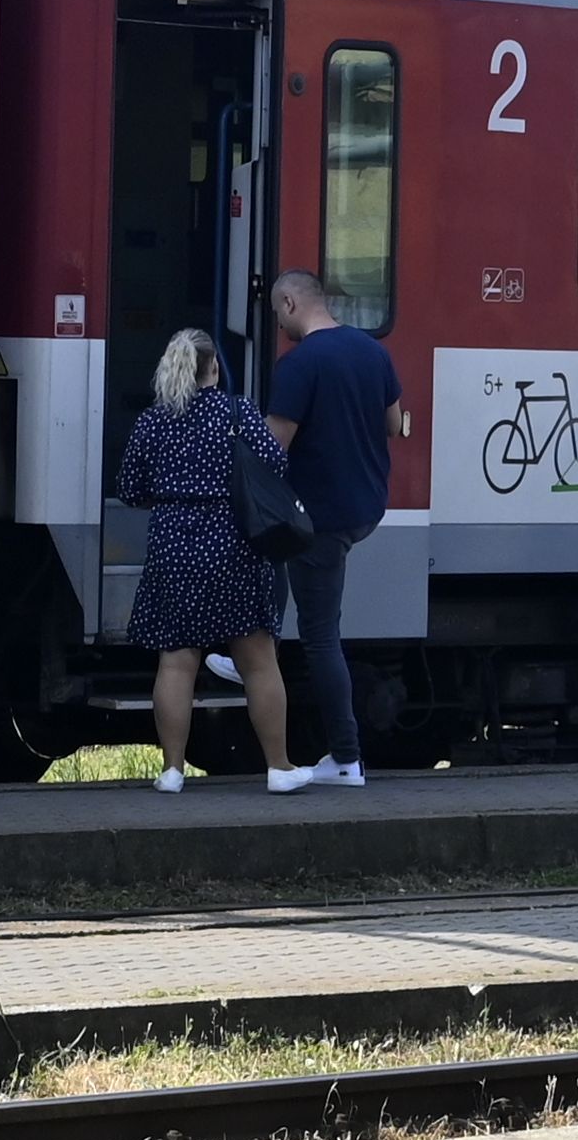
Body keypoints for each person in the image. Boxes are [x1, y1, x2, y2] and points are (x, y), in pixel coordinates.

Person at [119, 327, 311, 795]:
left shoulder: (153, 420)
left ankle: (172, 771)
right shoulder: (235, 411)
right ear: (214, 368)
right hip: (232, 543)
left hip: (171, 544)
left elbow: (129, 488)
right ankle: (279, 768)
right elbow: (274, 463)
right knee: (260, 663)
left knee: (176, 664)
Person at [262, 270, 400, 785]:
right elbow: (392, 423)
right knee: (267, 549)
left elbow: (274, 446)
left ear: (292, 302)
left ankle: (345, 758)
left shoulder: (299, 365)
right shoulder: (372, 352)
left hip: (320, 519)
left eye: (279, 313)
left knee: (321, 638)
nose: (279, 323)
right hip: (364, 508)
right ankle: (259, 647)